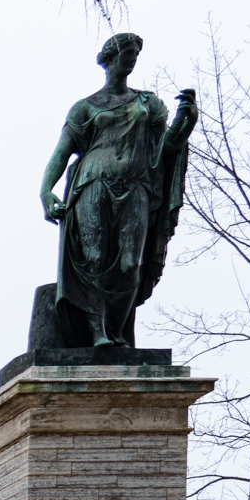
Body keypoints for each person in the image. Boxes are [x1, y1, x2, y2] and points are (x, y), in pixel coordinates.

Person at [38, 32, 198, 348]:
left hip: (137, 187)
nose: (133, 59)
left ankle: (116, 332)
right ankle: (97, 334)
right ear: (111, 57)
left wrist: (186, 121)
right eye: (128, 53)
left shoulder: (147, 103)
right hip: (92, 185)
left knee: (130, 265)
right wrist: (46, 192)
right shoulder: (85, 107)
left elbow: (166, 148)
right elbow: (61, 153)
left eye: (136, 54)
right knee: (94, 258)